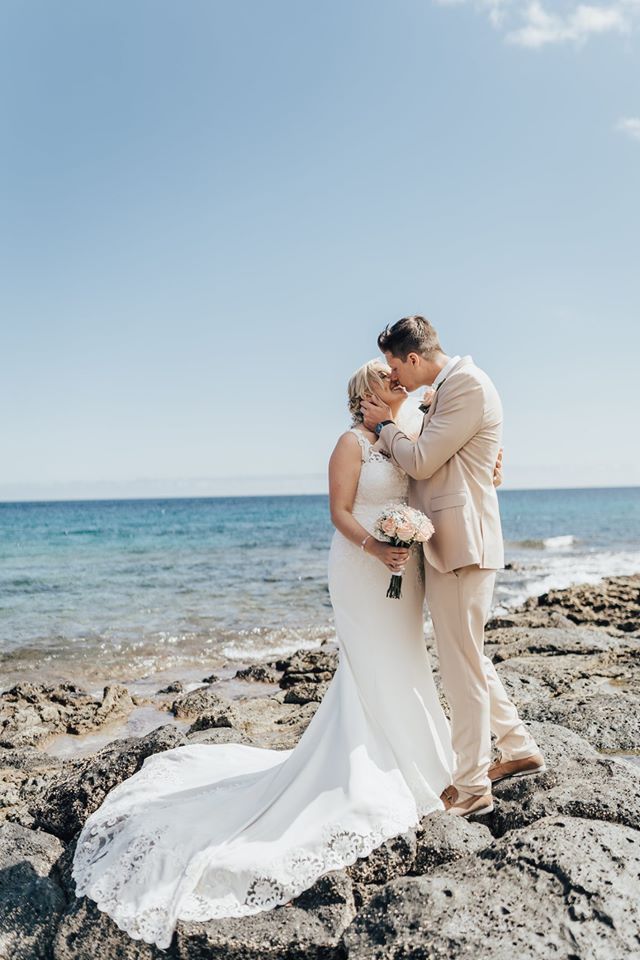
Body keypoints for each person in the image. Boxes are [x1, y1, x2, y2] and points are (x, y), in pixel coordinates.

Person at [70, 359, 455, 951]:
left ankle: (421, 759)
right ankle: (368, 766)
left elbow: (432, 475)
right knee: (368, 664)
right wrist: (379, 547)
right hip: (362, 566)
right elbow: (340, 513)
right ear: (364, 393)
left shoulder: (400, 442)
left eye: (399, 382)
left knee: (404, 660)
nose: (398, 387)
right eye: (388, 381)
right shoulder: (349, 443)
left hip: (404, 571)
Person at [362, 315, 546, 819]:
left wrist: (383, 427)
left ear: (414, 358)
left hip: (464, 546)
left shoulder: (465, 384)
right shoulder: (447, 388)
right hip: (453, 540)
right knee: (468, 656)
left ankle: (471, 786)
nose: (393, 375)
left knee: (461, 668)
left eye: (395, 364)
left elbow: (421, 461)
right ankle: (518, 746)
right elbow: (454, 463)